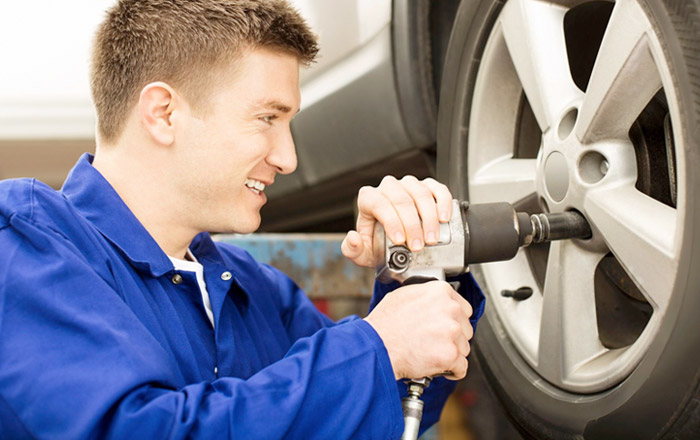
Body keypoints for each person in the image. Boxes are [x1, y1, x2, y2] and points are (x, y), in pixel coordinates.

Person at [0, 0, 483, 438]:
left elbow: (380, 410)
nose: (288, 158)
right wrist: (378, 347)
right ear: (163, 114)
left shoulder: (256, 290)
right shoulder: (26, 243)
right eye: (267, 118)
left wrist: (416, 267)